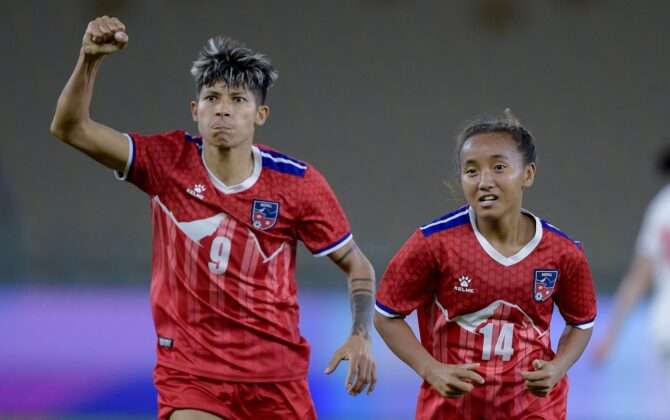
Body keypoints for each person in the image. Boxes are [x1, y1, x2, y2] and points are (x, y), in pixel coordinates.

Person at [50, 16, 376, 420]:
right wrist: (89, 59)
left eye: (238, 100)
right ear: (195, 109)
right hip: (192, 375)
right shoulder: (166, 162)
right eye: (212, 98)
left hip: (276, 381)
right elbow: (70, 128)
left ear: (260, 114)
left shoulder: (297, 184)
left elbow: (358, 264)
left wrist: (361, 334)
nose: (223, 109)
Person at [374, 110, 597, 419]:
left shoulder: (563, 252)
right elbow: (386, 315)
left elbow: (581, 323)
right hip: (452, 410)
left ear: (528, 175)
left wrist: (558, 367)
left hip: (533, 409)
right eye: (471, 171)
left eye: (499, 167)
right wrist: (430, 369)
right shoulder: (434, 244)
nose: (484, 182)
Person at [593, 146, 670, 373]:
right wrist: (610, 337)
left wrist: (610, 337)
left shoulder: (662, 208)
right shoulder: (662, 210)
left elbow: (639, 278)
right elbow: (639, 277)